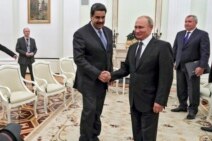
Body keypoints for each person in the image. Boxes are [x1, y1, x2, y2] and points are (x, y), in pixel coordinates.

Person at [110, 16, 173, 141]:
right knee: (137, 132)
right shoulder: (133, 48)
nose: (137, 30)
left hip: (151, 99)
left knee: (148, 135)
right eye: (135, 27)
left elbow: (166, 76)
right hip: (134, 98)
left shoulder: (162, 47)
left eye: (141, 27)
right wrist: (110, 75)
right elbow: (126, 69)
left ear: (150, 27)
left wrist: (160, 100)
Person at [73, 3, 113, 141]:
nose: (100, 20)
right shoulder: (80, 34)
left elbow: (108, 54)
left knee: (97, 111)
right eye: (97, 17)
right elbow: (79, 59)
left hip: (102, 81)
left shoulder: (108, 31)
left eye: (103, 17)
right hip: (88, 80)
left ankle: (94, 136)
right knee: (89, 111)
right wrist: (98, 73)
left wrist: (110, 74)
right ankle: (84, 138)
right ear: (91, 16)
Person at [171, 15, 210, 119]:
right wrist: (173, 61)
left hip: (193, 66)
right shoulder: (179, 34)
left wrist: (202, 66)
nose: (187, 23)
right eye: (185, 21)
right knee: (181, 87)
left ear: (195, 23)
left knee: (193, 89)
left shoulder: (202, 34)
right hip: (180, 65)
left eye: (189, 21)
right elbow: (175, 49)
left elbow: (205, 52)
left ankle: (193, 110)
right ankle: (182, 105)